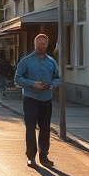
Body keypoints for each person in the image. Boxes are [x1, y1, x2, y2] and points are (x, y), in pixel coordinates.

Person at [13, 33, 62, 167]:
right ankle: (31, 156)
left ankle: (44, 156)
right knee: (30, 127)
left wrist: (51, 85)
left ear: (47, 44)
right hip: (30, 97)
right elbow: (17, 79)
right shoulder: (26, 61)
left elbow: (57, 78)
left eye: (44, 43)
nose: (42, 46)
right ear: (35, 44)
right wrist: (32, 83)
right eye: (39, 43)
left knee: (45, 128)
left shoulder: (51, 62)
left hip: (46, 98)